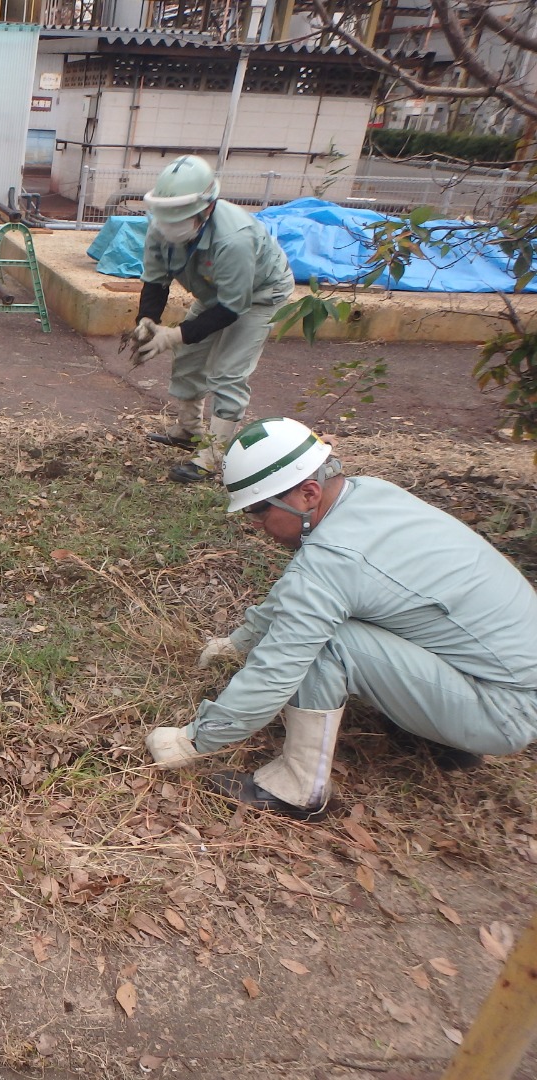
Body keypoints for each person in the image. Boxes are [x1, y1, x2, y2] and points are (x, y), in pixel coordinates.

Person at [145, 416, 537, 818]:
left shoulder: (333, 560)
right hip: (504, 676)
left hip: (504, 711)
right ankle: (447, 738)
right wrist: (239, 643)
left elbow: (276, 670)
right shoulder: (368, 494)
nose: (256, 525)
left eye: (259, 511)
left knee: (329, 642)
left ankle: (299, 788)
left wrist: (193, 741)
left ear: (308, 492)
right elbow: (298, 591)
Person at [131, 155, 294, 484]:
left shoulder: (234, 239)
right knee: (189, 358)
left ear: (206, 208)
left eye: (180, 216)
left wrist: (174, 335)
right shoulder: (160, 227)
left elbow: (232, 308)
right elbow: (156, 280)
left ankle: (214, 455)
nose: (170, 224)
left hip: (259, 295)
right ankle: (189, 431)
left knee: (228, 371)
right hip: (214, 295)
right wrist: (147, 319)